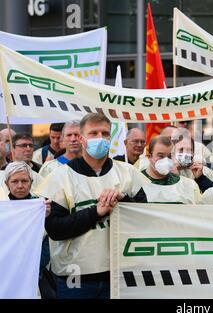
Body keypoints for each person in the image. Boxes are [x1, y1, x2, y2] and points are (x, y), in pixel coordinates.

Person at [35, 113, 148, 299]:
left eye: (104, 133)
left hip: (120, 273)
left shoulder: (128, 173)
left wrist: (124, 201)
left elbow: (145, 219)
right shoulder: (60, 177)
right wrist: (96, 211)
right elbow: (55, 229)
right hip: (75, 276)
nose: (100, 139)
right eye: (93, 133)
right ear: (81, 138)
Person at [3, 161, 53, 298]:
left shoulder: (42, 205)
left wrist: (47, 218)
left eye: (24, 181)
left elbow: (48, 242)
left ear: (31, 182)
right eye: (15, 181)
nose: (20, 186)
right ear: (7, 183)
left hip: (35, 273)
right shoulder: (3, 208)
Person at [141, 136, 201, 204]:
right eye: (161, 156)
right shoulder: (136, 183)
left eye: (169, 156)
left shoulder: (189, 185)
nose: (166, 160)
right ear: (149, 157)